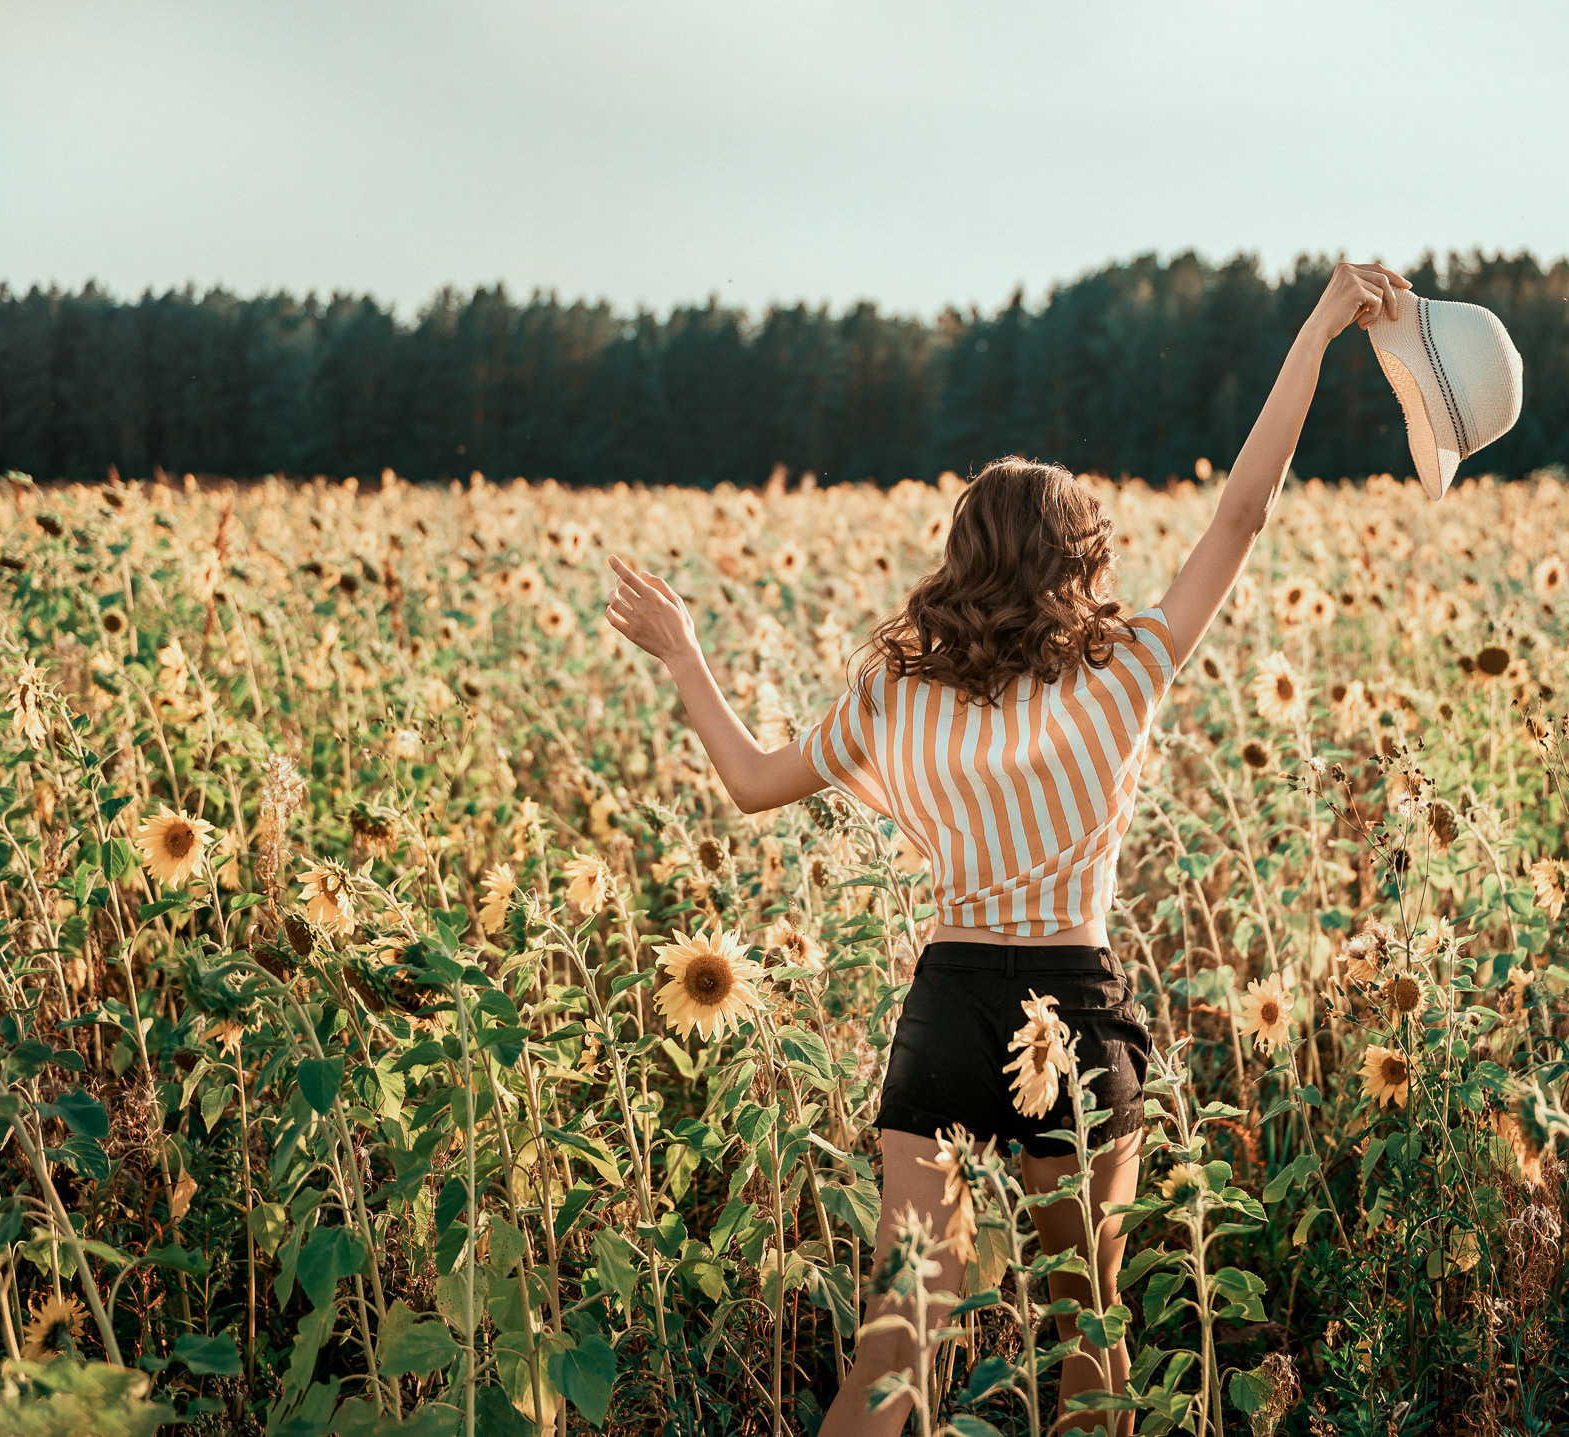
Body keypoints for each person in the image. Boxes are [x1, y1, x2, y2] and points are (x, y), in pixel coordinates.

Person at [604, 259, 1412, 1437]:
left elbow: (749, 782)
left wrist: (684, 655)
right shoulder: (1123, 667)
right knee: (1091, 1338)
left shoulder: (896, 689)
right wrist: (1324, 322)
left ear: (964, 553)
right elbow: (1244, 510)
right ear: (1079, 557)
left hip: (948, 1002)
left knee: (896, 1342)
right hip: (1074, 1010)